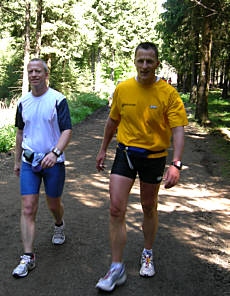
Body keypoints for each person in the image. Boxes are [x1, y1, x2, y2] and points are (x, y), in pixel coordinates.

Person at [95, 42, 188, 292]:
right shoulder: (123, 89)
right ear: (134, 61)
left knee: (148, 206)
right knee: (116, 209)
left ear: (157, 63)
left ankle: (148, 252)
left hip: (154, 157)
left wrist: (176, 163)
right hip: (125, 154)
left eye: (149, 61)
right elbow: (112, 121)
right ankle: (116, 267)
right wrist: (103, 148)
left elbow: (178, 129)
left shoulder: (168, 93)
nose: (145, 65)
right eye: (140, 60)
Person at [12, 58, 72, 278]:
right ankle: (28, 256)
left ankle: (59, 224)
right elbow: (20, 132)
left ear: (46, 74)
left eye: (38, 71)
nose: (34, 75)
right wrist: (17, 161)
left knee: (53, 203)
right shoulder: (23, 102)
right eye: (30, 71)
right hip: (29, 161)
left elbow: (67, 130)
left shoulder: (58, 99)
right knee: (28, 207)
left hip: (53, 162)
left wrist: (55, 153)